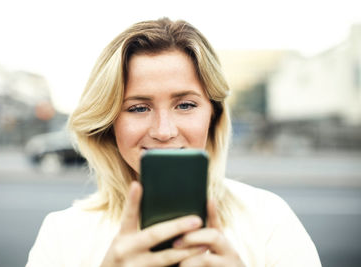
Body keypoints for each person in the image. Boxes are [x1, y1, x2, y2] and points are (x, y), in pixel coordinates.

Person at [26, 18, 321, 267]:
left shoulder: (269, 219)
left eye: (185, 105)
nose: (164, 131)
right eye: (138, 108)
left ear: (213, 116)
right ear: (109, 123)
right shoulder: (62, 234)